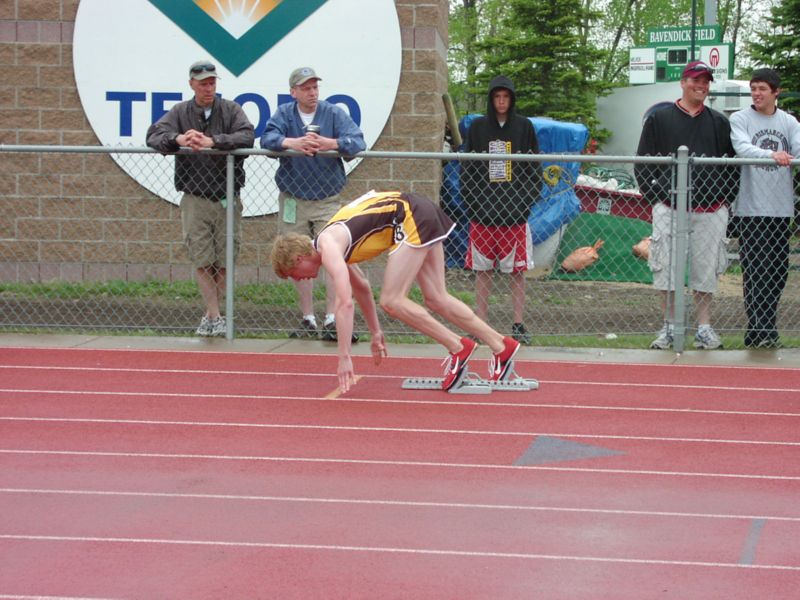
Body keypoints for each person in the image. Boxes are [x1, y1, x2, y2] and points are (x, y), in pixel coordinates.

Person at [270, 190, 521, 393]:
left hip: (411, 215)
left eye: (293, 273)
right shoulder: (334, 243)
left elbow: (345, 303)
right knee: (436, 297)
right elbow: (363, 289)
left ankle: (458, 347)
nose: (298, 279)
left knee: (392, 300)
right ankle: (501, 345)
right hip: (418, 210)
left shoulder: (328, 245)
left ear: (299, 257)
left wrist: (344, 357)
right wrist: (375, 332)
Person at [635, 60, 740, 350]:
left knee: (706, 271)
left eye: (706, 81)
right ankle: (669, 327)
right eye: (695, 80)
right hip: (670, 207)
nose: (701, 86)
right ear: (683, 82)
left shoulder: (719, 122)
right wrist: (655, 197)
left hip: (710, 210)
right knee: (666, 267)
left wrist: (725, 199)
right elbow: (643, 161)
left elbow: (733, 167)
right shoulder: (660, 119)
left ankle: (704, 328)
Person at [146, 61, 255, 337]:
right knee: (202, 258)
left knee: (225, 258)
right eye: (203, 83)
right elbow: (154, 135)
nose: (209, 88)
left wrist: (213, 141)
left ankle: (212, 315)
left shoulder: (230, 109)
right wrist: (179, 138)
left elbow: (247, 136)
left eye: (212, 83)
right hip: (194, 196)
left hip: (227, 195)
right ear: (192, 84)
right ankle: (216, 315)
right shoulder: (180, 112)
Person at [261, 67, 366, 342]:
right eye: (306, 88)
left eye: (315, 87)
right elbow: (267, 139)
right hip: (293, 196)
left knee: (334, 257)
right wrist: (292, 143)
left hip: (326, 199)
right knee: (296, 257)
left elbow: (357, 141)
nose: (312, 93)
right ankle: (307, 318)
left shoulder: (333, 113)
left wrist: (328, 143)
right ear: (293, 92)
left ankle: (332, 319)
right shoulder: (284, 114)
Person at [460, 75, 542, 345]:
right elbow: (467, 170)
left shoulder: (524, 127)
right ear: (491, 99)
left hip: (514, 217)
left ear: (512, 99)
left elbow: (533, 170)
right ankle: (480, 323)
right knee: (482, 272)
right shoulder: (478, 128)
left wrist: (524, 203)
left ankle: (518, 323)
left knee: (517, 273)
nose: (501, 102)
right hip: (482, 216)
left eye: (506, 97)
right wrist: (473, 203)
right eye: (497, 97)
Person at [730, 68, 800, 348]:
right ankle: (761, 330)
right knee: (756, 271)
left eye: (762, 89)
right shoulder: (740, 118)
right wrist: (772, 154)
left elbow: (797, 149)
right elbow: (742, 148)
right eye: (753, 88)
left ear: (776, 92)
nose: (757, 94)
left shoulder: (789, 122)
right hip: (751, 209)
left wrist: (788, 155)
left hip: (781, 210)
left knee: (778, 272)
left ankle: (763, 328)